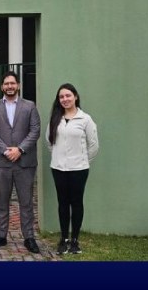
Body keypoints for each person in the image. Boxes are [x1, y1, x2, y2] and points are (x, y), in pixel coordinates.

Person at [0, 71, 42, 253]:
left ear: (18, 85)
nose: (9, 86)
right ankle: (1, 235)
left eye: (13, 83)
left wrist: (20, 149)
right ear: (2, 87)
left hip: (25, 162)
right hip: (1, 162)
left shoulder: (29, 106)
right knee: (1, 201)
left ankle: (29, 237)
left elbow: (35, 130)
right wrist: (5, 150)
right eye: (6, 83)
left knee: (26, 202)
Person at [46, 83, 99, 254]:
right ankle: (64, 239)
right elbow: (49, 142)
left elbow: (93, 145)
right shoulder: (55, 118)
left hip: (79, 169)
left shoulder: (85, 119)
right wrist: (59, 157)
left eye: (68, 95)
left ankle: (75, 240)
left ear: (75, 96)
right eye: (61, 97)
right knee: (63, 203)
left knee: (76, 203)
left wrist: (82, 160)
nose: (65, 99)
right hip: (58, 168)